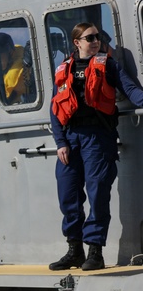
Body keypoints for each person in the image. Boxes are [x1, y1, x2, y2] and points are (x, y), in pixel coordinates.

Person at [48, 22, 143, 271]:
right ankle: (74, 250)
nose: (95, 41)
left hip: (98, 138)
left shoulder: (108, 66)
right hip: (70, 139)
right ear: (77, 42)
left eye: (98, 37)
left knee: (98, 193)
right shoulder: (63, 70)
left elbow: (131, 90)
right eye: (89, 38)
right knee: (68, 195)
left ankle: (95, 252)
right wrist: (60, 142)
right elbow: (56, 109)